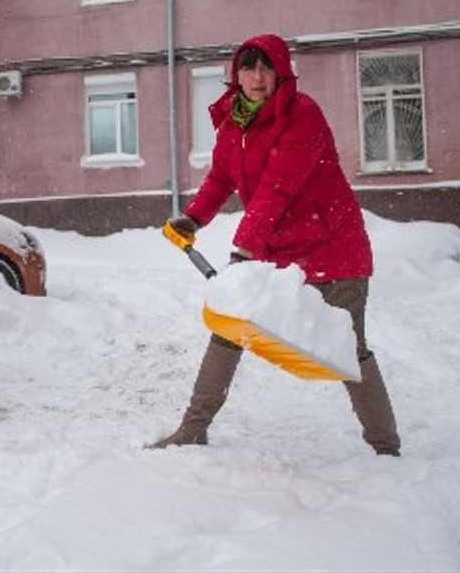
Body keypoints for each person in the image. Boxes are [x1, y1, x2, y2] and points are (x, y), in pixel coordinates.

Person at [150, 33, 401, 456]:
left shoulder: (302, 115)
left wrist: (243, 250)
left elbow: (277, 189)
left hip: (331, 248)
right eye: (248, 67)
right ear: (236, 75)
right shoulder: (234, 122)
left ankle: (386, 447)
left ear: (280, 71)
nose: (258, 77)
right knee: (228, 332)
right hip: (274, 250)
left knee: (349, 350)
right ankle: (193, 429)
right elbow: (221, 178)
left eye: (266, 67)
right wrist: (193, 217)